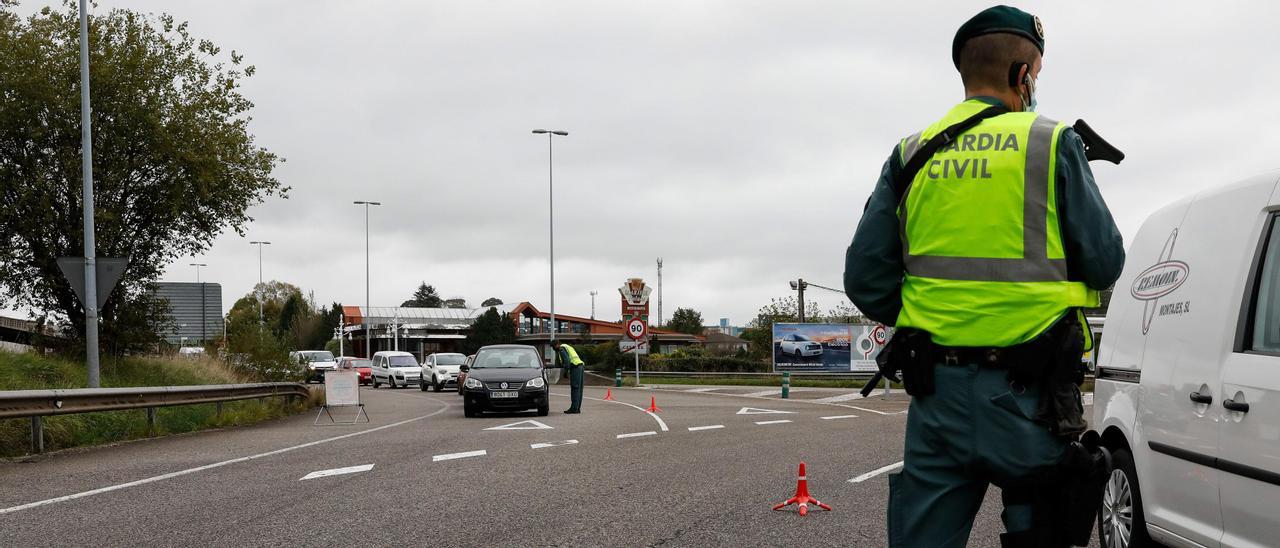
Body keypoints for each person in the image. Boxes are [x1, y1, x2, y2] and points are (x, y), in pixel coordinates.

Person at [843, 6, 1125, 547]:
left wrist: (934, 314)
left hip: (936, 395)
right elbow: (1104, 261)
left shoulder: (910, 154)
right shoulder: (1050, 142)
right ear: (1024, 75)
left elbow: (866, 279)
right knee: (1043, 523)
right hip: (1030, 396)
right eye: (1036, 76)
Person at [552, 340, 584, 414]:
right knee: (579, 389)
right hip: (580, 366)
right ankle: (577, 408)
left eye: (554, 346)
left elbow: (566, 361)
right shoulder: (567, 346)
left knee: (575, 388)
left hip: (575, 368)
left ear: (558, 344)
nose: (554, 348)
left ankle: (574, 409)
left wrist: (565, 373)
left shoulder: (561, 349)